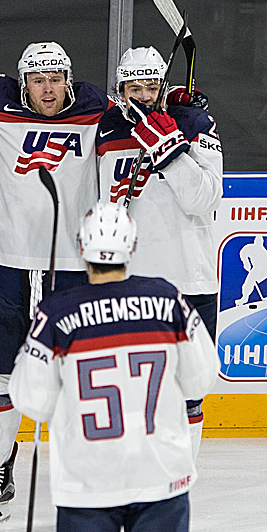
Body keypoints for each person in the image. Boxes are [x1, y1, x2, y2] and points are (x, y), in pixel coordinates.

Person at [8, 203, 219, 532]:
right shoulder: (168, 300)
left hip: (88, 482)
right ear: (133, 248)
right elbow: (202, 377)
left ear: (82, 248)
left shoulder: (57, 313)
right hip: (161, 477)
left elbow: (32, 401)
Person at [0, 41, 114, 525]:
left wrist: (181, 107)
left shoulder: (97, 112)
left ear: (69, 79)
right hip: (3, 262)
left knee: (79, 376)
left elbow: (143, 104)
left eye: (56, 78)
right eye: (38, 79)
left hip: (68, 267)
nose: (49, 88)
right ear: (23, 82)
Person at [96, 46, 222, 459]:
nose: (145, 96)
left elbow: (204, 198)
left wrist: (170, 152)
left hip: (189, 278)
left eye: (153, 86)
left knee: (187, 390)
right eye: (136, 88)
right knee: (131, 387)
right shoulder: (105, 129)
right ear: (120, 89)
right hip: (129, 283)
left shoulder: (194, 122)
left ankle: (179, 478)